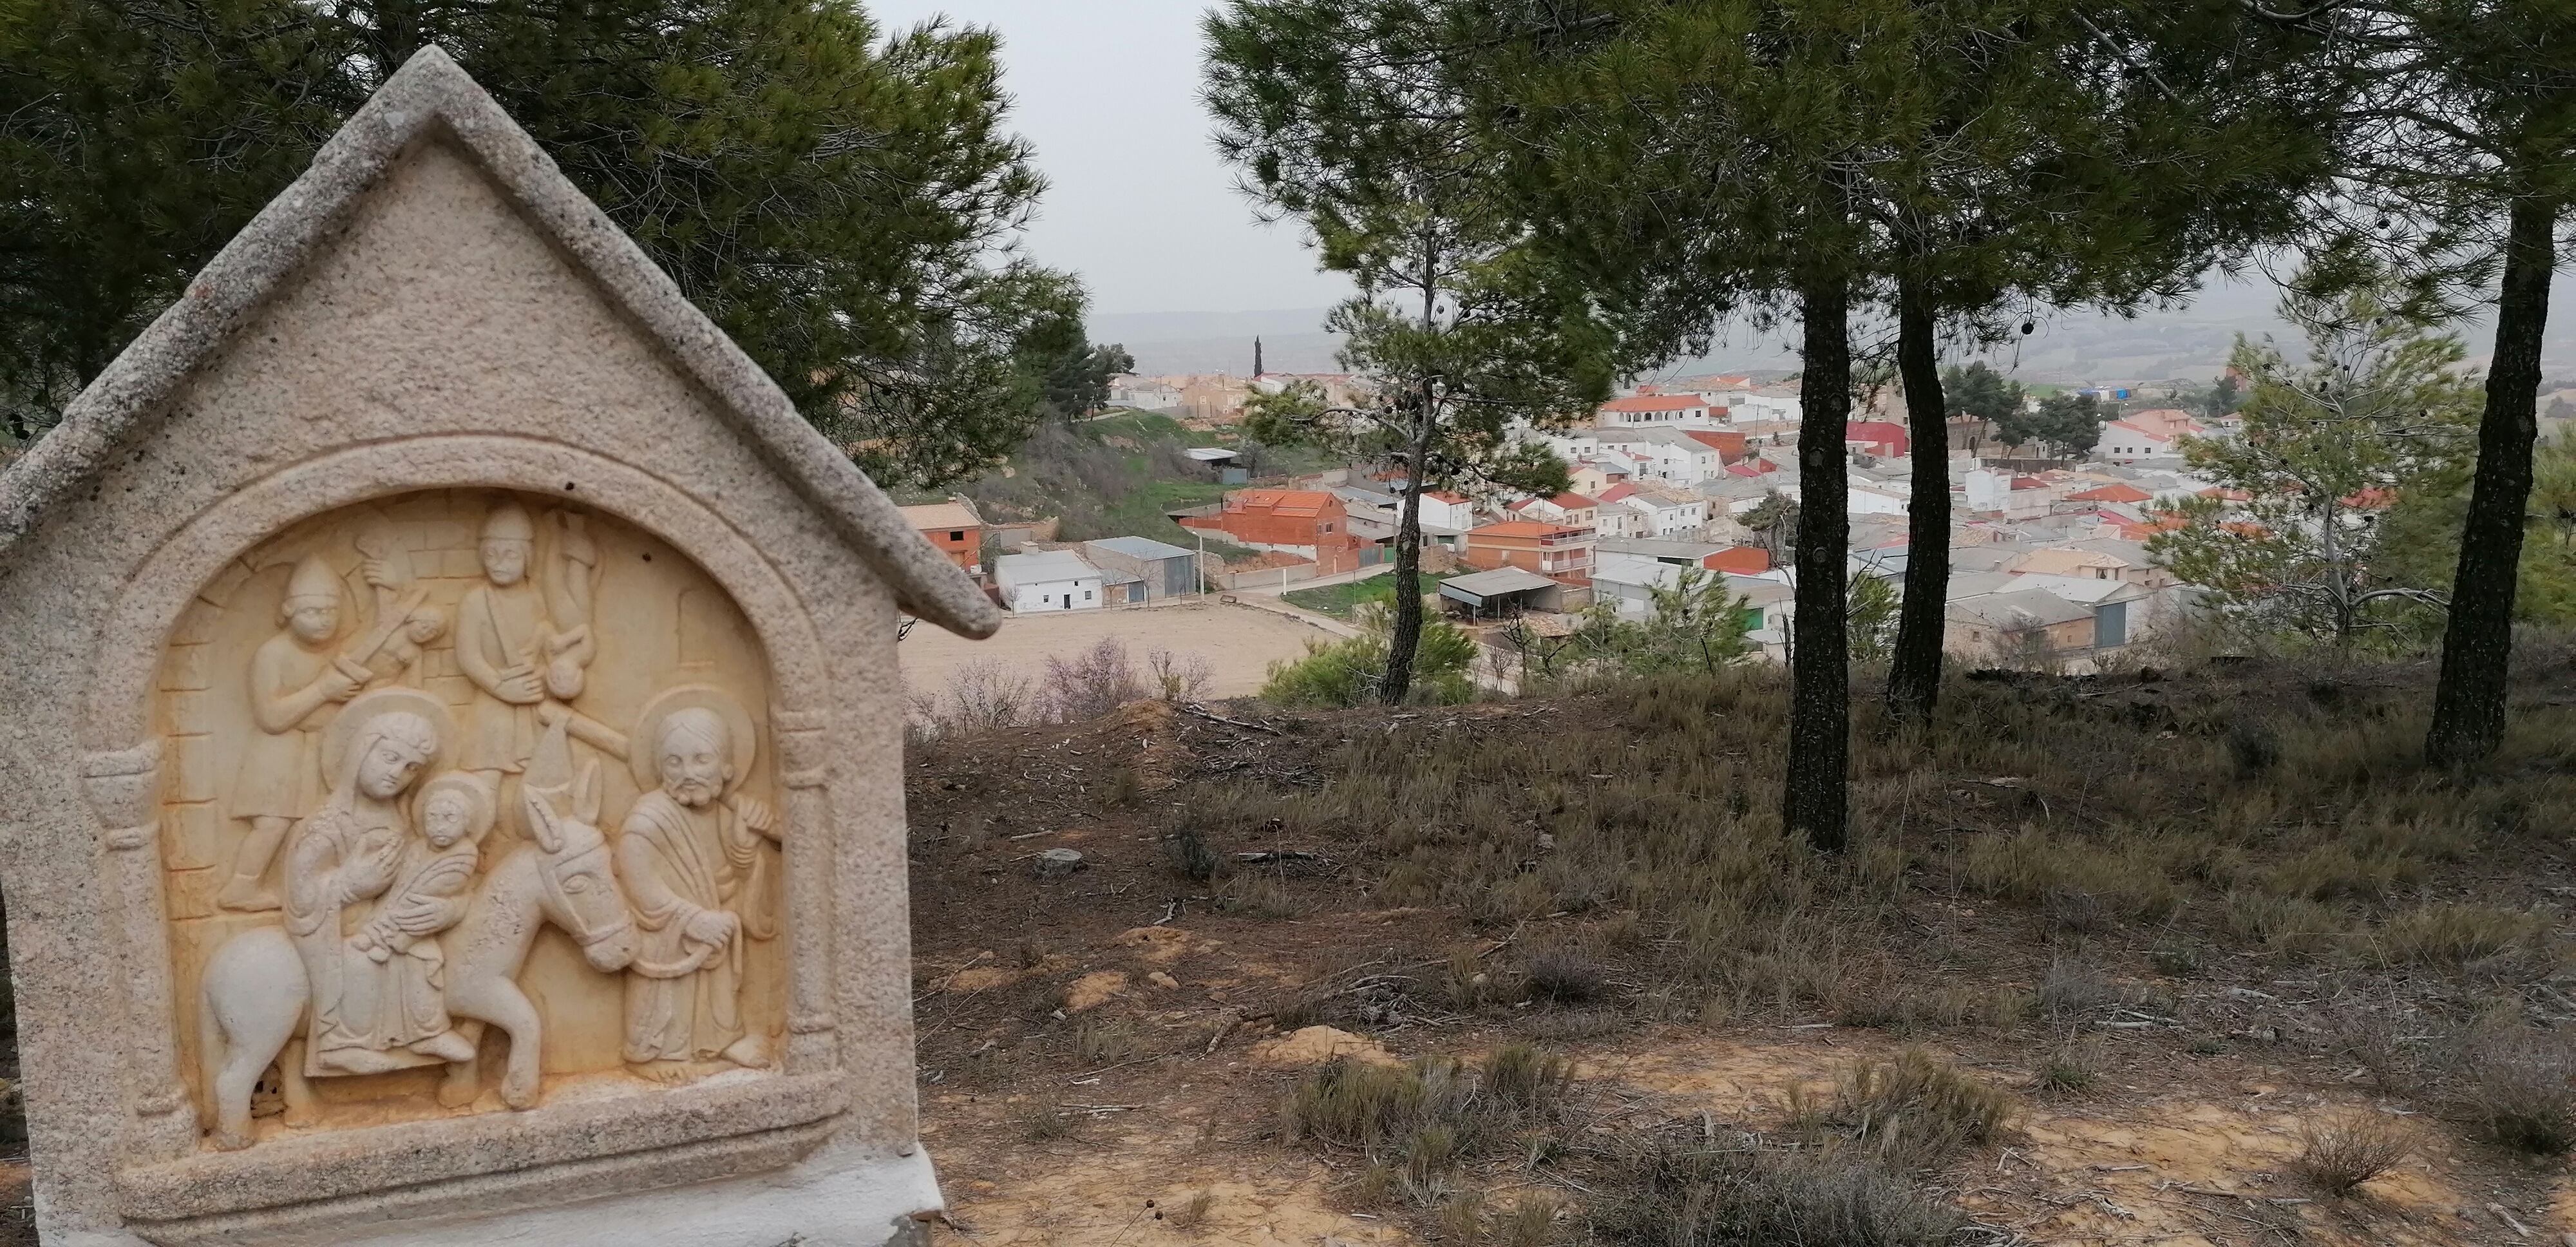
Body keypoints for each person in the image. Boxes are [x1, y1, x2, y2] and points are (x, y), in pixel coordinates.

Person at [283, 698, 475, 1074]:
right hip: (338, 930)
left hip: (391, 923)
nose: (397, 774)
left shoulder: (406, 821)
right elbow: (301, 898)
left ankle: (426, 1033)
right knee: (361, 960)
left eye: (410, 769)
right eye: (389, 758)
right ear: (360, 752)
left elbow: (427, 874)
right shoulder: (326, 825)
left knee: (424, 955)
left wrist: (451, 908)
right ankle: (341, 1045)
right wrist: (349, 886)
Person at [616, 705, 779, 1078]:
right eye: (674, 762)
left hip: (714, 940)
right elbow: (636, 878)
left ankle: (720, 1043)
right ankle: (659, 1059)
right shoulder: (648, 817)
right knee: (667, 1008)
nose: (687, 773)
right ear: (659, 769)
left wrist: (746, 855)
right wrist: (692, 919)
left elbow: (732, 882)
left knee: (717, 994)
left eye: (700, 759)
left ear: (726, 767)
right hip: (667, 940)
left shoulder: (724, 816)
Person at [221, 556, 365, 911]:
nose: (323, 620)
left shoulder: (335, 653)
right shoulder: (272, 654)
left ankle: (301, 887)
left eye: (330, 611)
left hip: (313, 754)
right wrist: (324, 691)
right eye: (312, 611)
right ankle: (241, 888)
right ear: (288, 611)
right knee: (272, 824)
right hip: (277, 755)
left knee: (310, 826)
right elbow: (271, 716)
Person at [455, 502, 596, 792]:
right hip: (493, 708)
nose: (499, 563)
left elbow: (547, 646)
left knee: (541, 780)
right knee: (486, 782)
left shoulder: (535, 597)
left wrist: (557, 672)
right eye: (491, 555)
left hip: (533, 706)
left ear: (527, 558)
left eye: (510, 555)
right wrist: (501, 687)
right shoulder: (475, 601)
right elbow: (468, 656)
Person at [344, 772, 488, 1056]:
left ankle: (428, 1032)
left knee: (424, 959)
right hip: (393, 906)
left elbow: (438, 885)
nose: (439, 826)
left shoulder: (465, 853)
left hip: (424, 914)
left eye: (450, 818)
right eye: (433, 818)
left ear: (468, 824)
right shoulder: (418, 847)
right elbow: (399, 881)